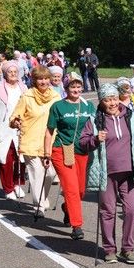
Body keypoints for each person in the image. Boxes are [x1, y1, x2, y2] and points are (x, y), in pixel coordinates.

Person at [80, 83, 134, 264]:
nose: (112, 103)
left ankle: (127, 249)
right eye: (107, 100)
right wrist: (95, 139)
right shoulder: (94, 119)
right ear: (101, 101)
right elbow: (82, 143)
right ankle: (109, 249)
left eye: (114, 98)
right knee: (108, 211)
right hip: (107, 172)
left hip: (130, 172)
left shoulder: (131, 117)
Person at [43, 74, 95, 240]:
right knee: (71, 188)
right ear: (66, 88)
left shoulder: (89, 106)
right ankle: (77, 226)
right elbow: (49, 131)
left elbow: (97, 125)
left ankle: (67, 207)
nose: (76, 90)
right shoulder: (58, 106)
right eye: (72, 87)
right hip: (62, 150)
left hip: (83, 150)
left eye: (79, 86)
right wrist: (46, 153)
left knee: (80, 191)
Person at [10, 67, 60, 213]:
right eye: (40, 79)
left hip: (50, 141)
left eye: (45, 78)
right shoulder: (27, 96)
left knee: (50, 174)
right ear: (34, 80)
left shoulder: (56, 97)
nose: (43, 81)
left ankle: (42, 197)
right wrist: (15, 121)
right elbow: (14, 116)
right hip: (30, 140)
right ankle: (38, 205)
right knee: (37, 173)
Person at [0, 62, 27, 200]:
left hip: (19, 128)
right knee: (6, 159)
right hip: (3, 128)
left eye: (15, 71)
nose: (13, 74)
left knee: (20, 158)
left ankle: (17, 184)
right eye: (10, 72)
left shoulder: (24, 88)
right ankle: (8, 188)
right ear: (5, 73)